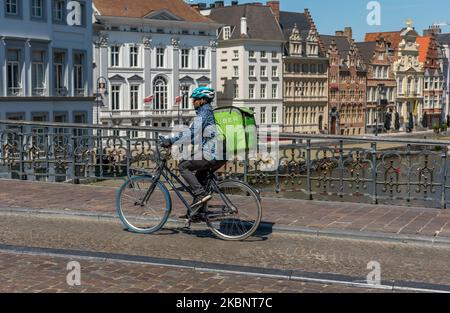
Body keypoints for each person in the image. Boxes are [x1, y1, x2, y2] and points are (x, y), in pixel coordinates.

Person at [160, 87, 226, 219]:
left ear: (202, 100)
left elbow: (191, 134)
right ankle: (196, 213)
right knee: (200, 178)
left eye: (195, 99)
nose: (193, 102)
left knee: (183, 166)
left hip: (213, 153)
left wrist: (171, 141)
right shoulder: (205, 112)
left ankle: (201, 195)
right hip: (220, 152)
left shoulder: (203, 113)